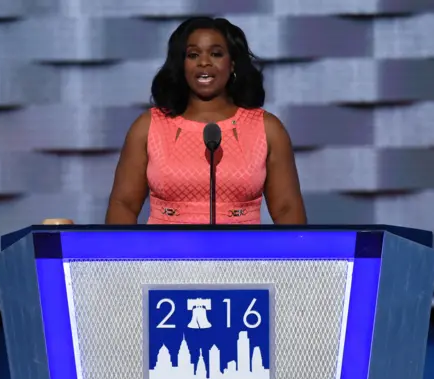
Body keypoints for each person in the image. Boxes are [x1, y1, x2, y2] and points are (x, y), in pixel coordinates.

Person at [104, 16, 307, 225]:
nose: (204, 62)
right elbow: (124, 204)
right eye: (193, 55)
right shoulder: (148, 126)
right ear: (181, 64)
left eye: (216, 54)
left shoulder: (267, 129)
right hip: (164, 255)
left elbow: (287, 210)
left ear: (233, 63)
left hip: (241, 255)